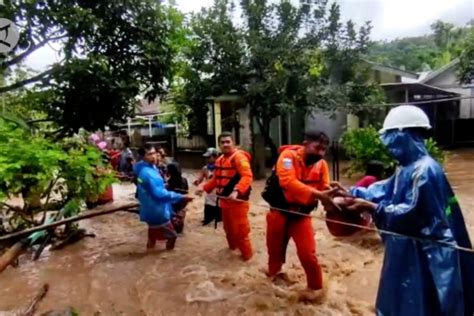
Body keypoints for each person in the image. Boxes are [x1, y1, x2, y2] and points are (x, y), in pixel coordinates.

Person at [344, 105, 474, 316]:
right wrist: (354, 192)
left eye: (389, 136)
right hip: (406, 251)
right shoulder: (407, 168)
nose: (387, 144)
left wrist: (373, 208)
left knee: (418, 303)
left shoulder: (425, 171)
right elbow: (384, 190)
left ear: (403, 134)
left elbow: (412, 215)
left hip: (423, 255)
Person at [264, 130, 340, 296]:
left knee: (308, 256)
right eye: (317, 147)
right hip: (279, 213)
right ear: (305, 144)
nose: (320, 153)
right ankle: (271, 292)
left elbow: (324, 187)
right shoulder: (287, 157)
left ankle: (316, 292)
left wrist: (334, 194)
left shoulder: (322, 165)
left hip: (301, 217)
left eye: (323, 149)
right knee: (275, 254)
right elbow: (288, 181)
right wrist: (317, 194)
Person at [196, 132, 254, 261]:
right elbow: (216, 179)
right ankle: (232, 251)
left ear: (233, 142)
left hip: (238, 201)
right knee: (228, 230)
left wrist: (237, 190)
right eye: (222, 142)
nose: (225, 144)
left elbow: (247, 176)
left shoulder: (239, 158)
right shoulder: (220, 160)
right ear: (219, 145)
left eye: (228, 141)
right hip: (224, 201)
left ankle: (247, 257)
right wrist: (203, 188)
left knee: (241, 231)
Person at [136, 144, 193, 250]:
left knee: (152, 235)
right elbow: (159, 195)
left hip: (149, 208)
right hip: (157, 211)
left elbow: (144, 186)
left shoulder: (144, 169)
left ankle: (149, 254)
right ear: (143, 157)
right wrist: (181, 196)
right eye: (149, 154)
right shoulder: (148, 173)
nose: (153, 157)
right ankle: (167, 255)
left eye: (154, 153)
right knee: (173, 236)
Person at [193, 147, 221, 226]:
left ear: (215, 157)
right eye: (206, 157)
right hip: (209, 196)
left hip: (220, 196)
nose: (207, 159)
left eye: (209, 157)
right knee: (207, 221)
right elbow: (200, 179)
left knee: (219, 221)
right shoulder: (205, 168)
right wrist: (197, 183)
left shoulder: (221, 168)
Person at [166, 162, 189, 234]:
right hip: (182, 205)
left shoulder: (169, 182)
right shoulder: (184, 180)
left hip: (172, 206)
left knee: (171, 228)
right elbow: (186, 193)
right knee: (179, 227)